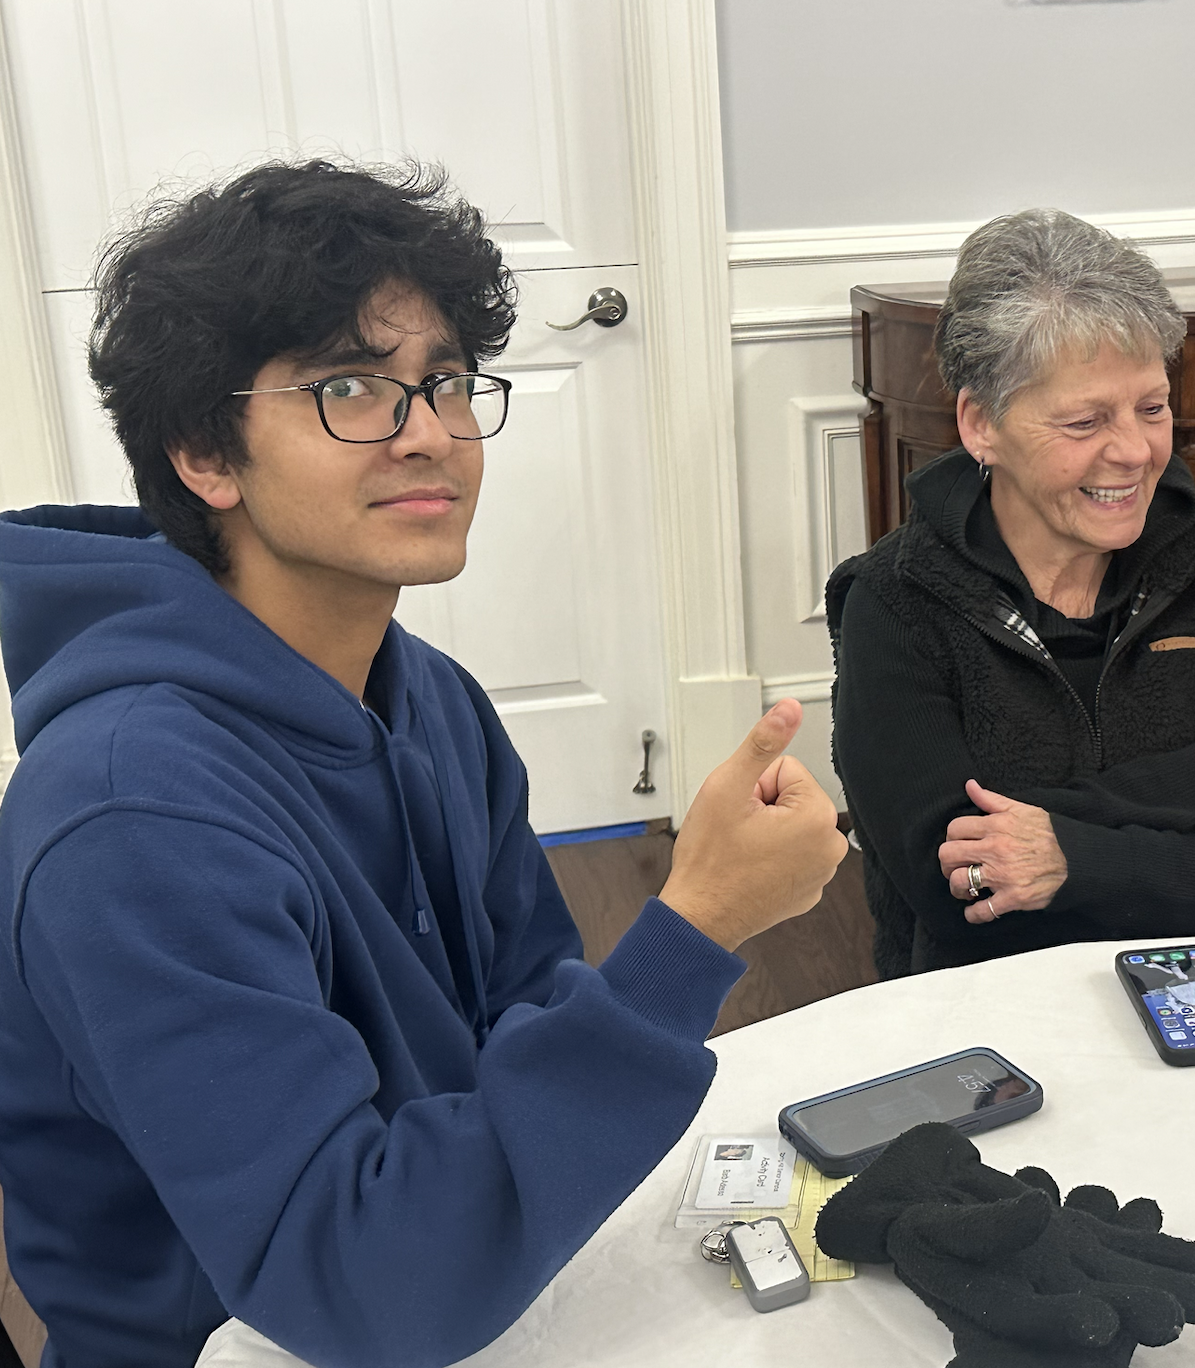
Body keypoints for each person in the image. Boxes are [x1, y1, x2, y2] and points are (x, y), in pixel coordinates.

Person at [0, 161, 848, 1368]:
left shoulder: (425, 694)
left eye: (446, 383)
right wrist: (696, 925)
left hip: (465, 1273)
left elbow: (526, 1001)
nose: (431, 436)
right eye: (348, 387)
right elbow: (355, 1284)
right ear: (203, 453)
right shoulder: (131, 814)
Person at [829, 209, 1195, 976]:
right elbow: (961, 892)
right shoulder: (894, 604)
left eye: (1152, 408)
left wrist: (1068, 858)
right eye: (1085, 421)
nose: (1135, 451)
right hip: (984, 1009)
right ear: (981, 424)